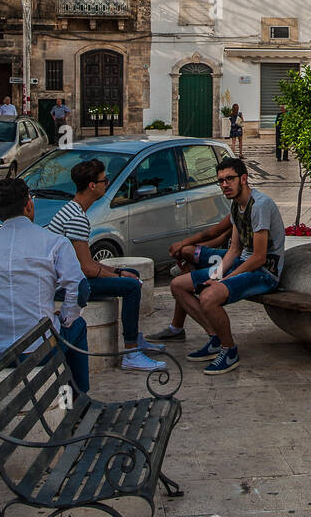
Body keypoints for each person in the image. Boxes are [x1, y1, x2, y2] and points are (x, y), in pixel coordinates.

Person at [0, 176, 89, 391]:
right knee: (78, 326)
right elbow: (79, 289)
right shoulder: (55, 243)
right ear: (29, 205)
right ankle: (80, 395)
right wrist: (65, 319)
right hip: (43, 349)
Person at [46, 158, 165, 372]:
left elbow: (86, 263)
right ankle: (131, 352)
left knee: (132, 274)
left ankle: (135, 339)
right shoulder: (76, 219)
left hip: (70, 278)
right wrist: (119, 277)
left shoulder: (72, 210)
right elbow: (86, 268)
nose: (106, 184)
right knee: (130, 286)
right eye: (104, 180)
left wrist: (120, 271)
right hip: (65, 287)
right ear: (92, 186)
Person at [170, 158, 285, 377]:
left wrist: (223, 280)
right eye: (221, 181)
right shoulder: (236, 205)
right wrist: (218, 273)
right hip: (245, 263)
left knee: (208, 297)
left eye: (229, 179)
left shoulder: (259, 206)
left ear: (244, 178)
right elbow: (234, 250)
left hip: (265, 272)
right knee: (178, 285)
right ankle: (216, 337)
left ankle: (229, 350)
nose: (225, 185)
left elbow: (259, 258)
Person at [152, 213, 234, 341]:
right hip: (226, 257)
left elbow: (214, 234)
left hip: (233, 260)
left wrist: (185, 245)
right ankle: (177, 328)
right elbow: (220, 237)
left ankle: (214, 334)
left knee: (186, 258)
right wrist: (192, 248)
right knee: (187, 260)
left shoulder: (252, 206)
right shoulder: (238, 207)